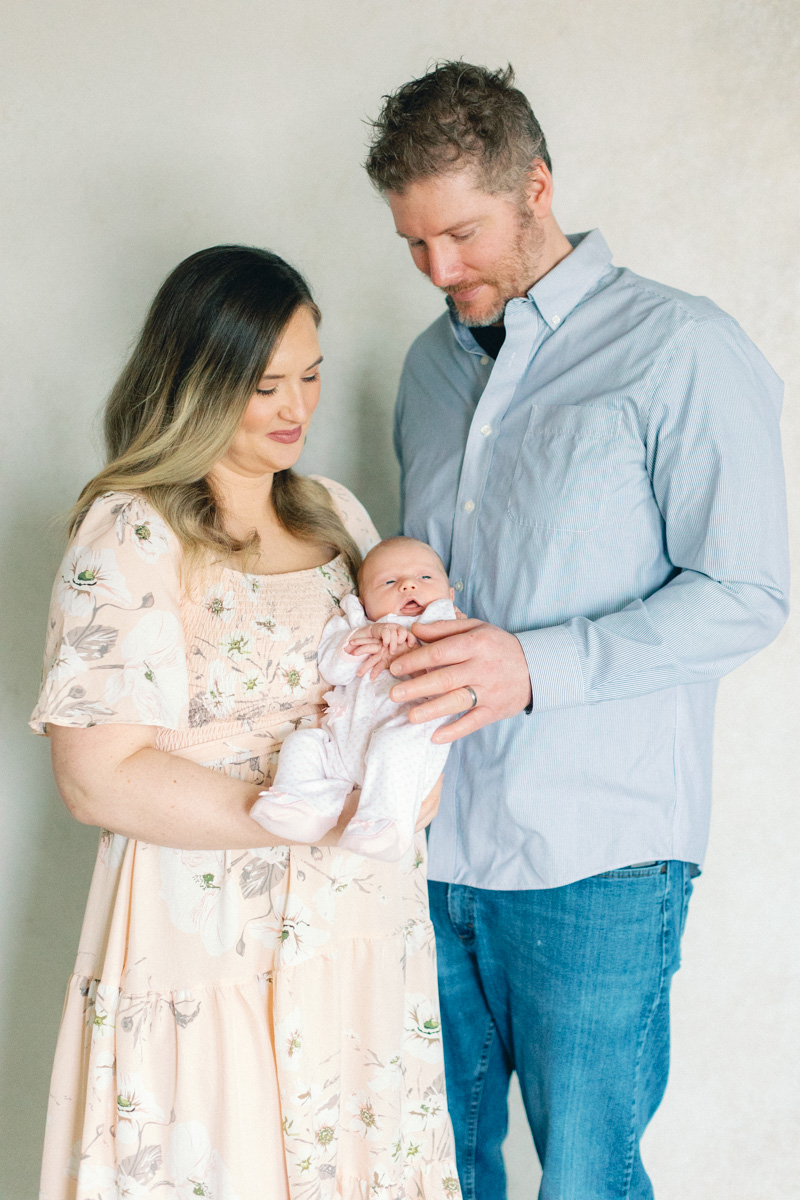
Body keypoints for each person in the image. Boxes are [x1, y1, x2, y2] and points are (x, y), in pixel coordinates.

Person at [364, 62, 789, 1200]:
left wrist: (531, 667)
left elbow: (745, 591)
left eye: (459, 233)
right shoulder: (422, 370)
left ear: (536, 186)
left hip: (593, 859)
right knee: (425, 1174)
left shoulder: (680, 348)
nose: (439, 272)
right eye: (413, 244)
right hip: (424, 848)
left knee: (582, 1184)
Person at [30, 245, 461, 1200]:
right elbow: (96, 776)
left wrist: (408, 775)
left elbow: (393, 683)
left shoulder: (338, 516)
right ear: (197, 380)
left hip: (359, 926)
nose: (297, 409)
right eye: (266, 385)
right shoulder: (131, 532)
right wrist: (298, 812)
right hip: (207, 930)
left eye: (310, 375)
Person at [251, 536, 458, 859]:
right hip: (342, 742)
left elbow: (454, 680)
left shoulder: (447, 627)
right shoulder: (353, 625)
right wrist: (359, 640)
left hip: (404, 740)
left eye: (425, 578)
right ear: (363, 600)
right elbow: (333, 671)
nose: (407, 586)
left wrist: (414, 655)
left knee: (392, 746)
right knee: (304, 744)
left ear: (449, 594)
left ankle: (383, 826)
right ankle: (302, 803)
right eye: (389, 581)